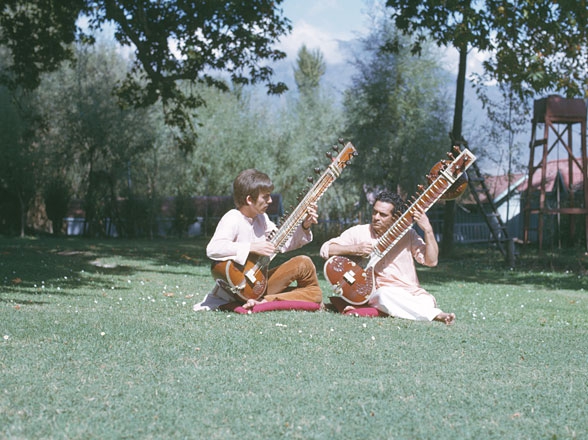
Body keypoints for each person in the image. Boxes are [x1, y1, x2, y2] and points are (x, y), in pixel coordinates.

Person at [193, 168, 323, 311]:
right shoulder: (232, 218)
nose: (270, 200)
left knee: (305, 266)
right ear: (249, 199)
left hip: (258, 283)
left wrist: (305, 225)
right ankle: (269, 300)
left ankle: (264, 300)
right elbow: (213, 249)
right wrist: (251, 247)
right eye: (265, 196)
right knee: (312, 295)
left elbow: (283, 244)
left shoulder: (262, 218)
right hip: (239, 288)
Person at [320, 190, 455, 325]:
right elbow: (326, 250)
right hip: (379, 294)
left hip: (411, 294)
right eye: (374, 212)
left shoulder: (408, 235)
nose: (376, 217)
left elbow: (432, 261)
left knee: (427, 301)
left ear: (395, 218)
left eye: (383, 215)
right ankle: (437, 315)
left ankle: (388, 309)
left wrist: (428, 230)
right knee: (384, 295)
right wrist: (354, 249)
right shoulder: (360, 232)